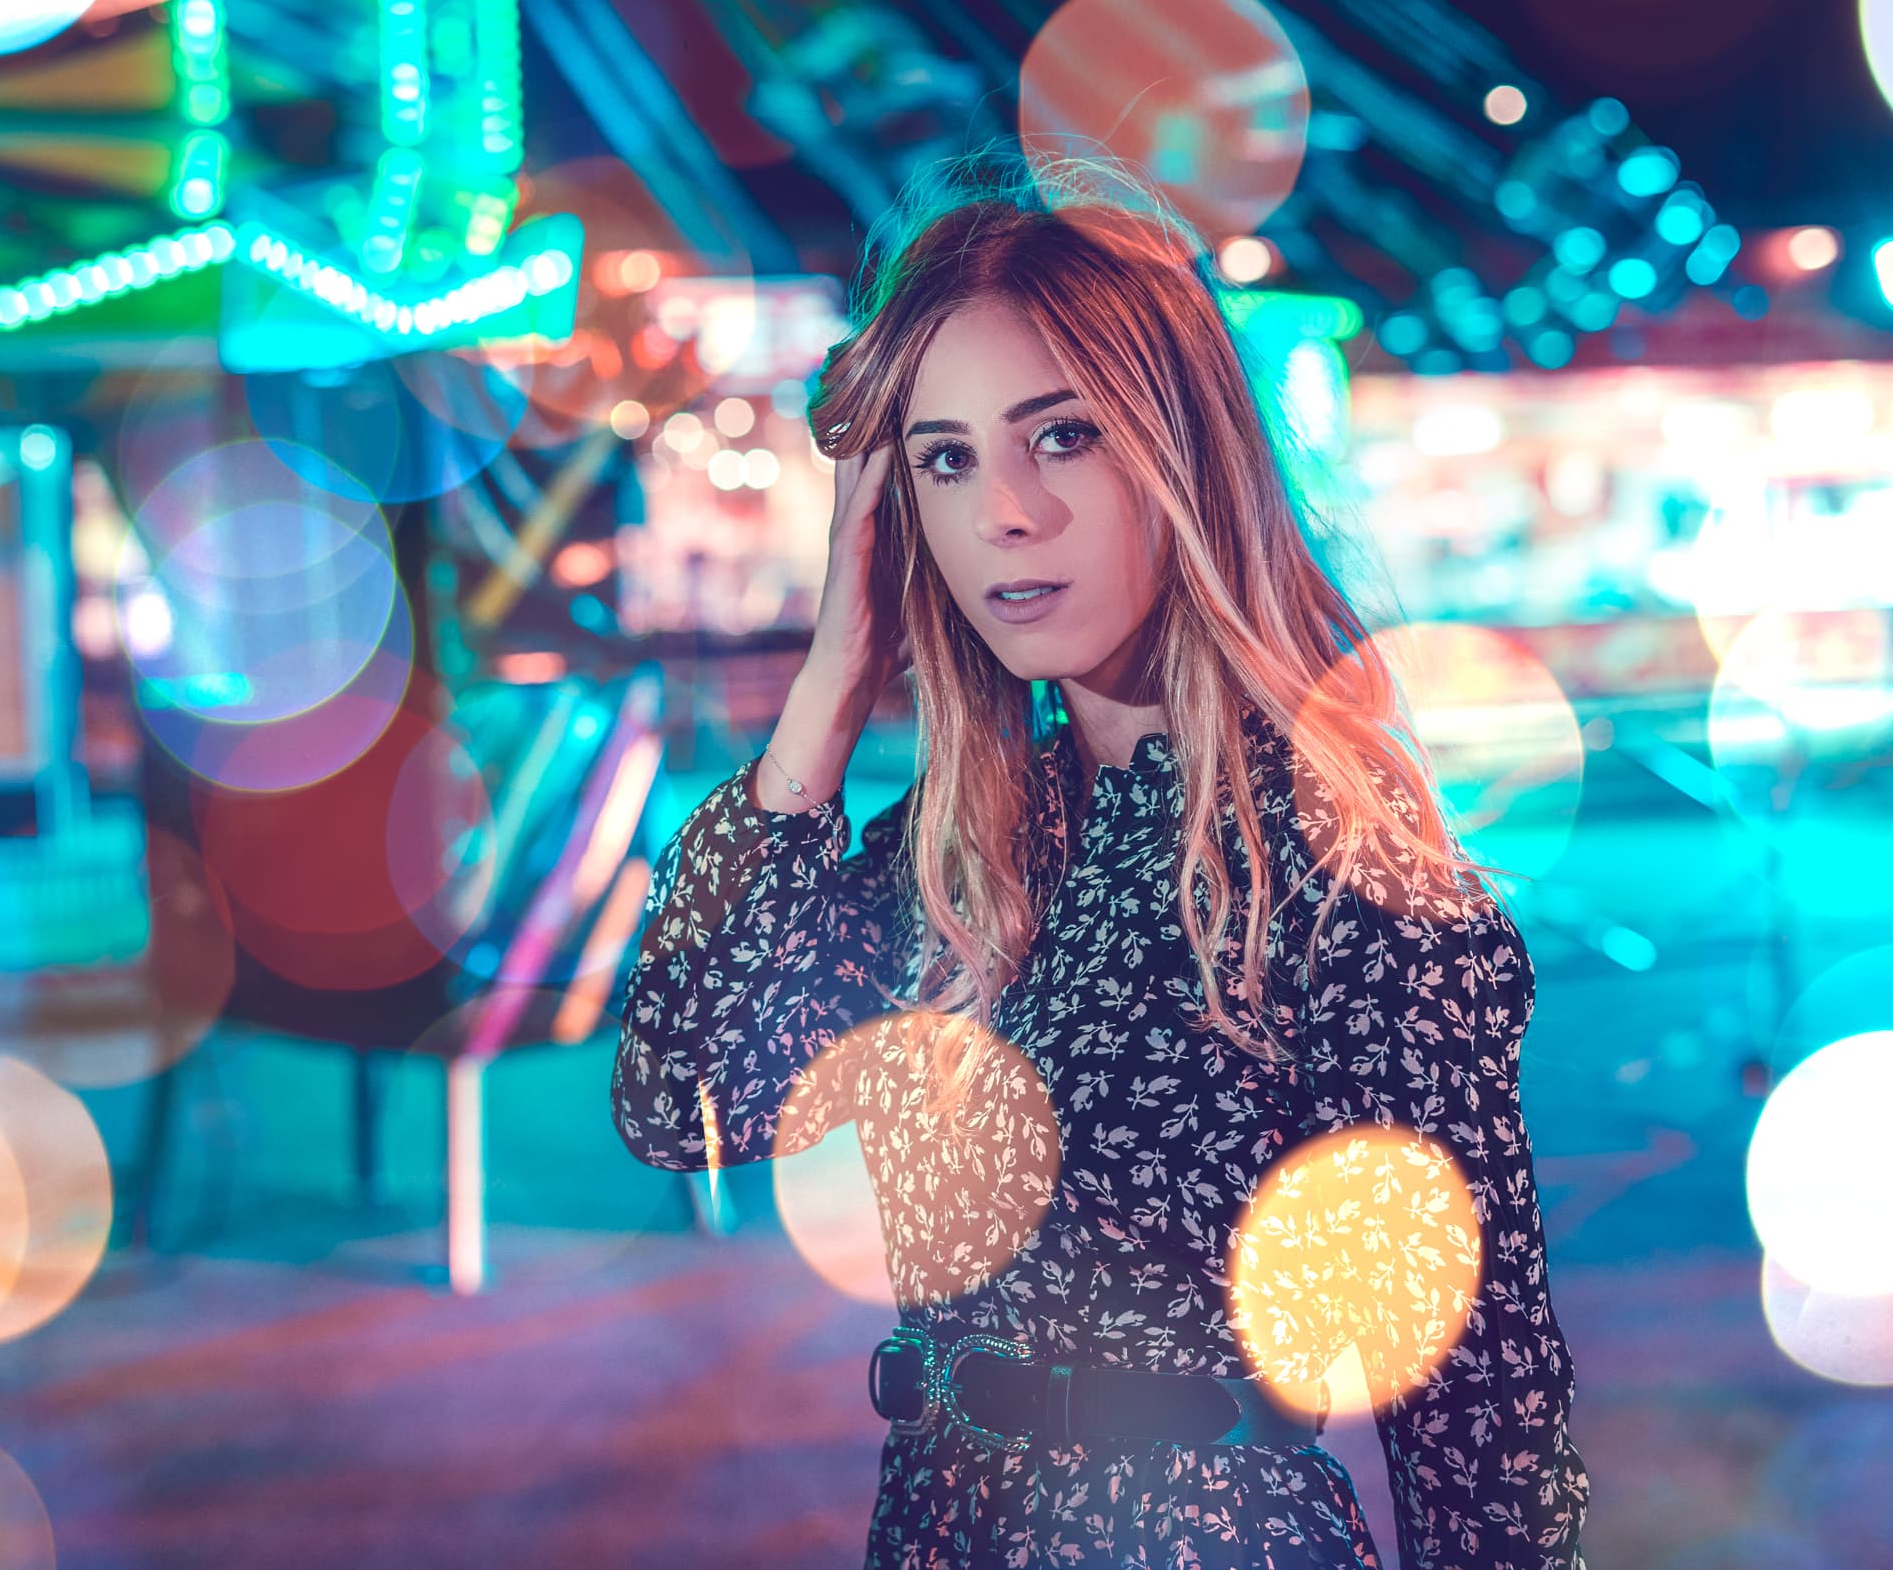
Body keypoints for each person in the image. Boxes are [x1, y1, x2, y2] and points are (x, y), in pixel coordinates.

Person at [610, 153, 1590, 1570]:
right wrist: (832, 673)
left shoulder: (1342, 872)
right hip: (941, 1527)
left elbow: (1484, 1414)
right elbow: (683, 1100)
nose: (1004, 511)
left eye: (1060, 436)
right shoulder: (961, 850)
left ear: (1177, 452)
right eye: (945, 459)